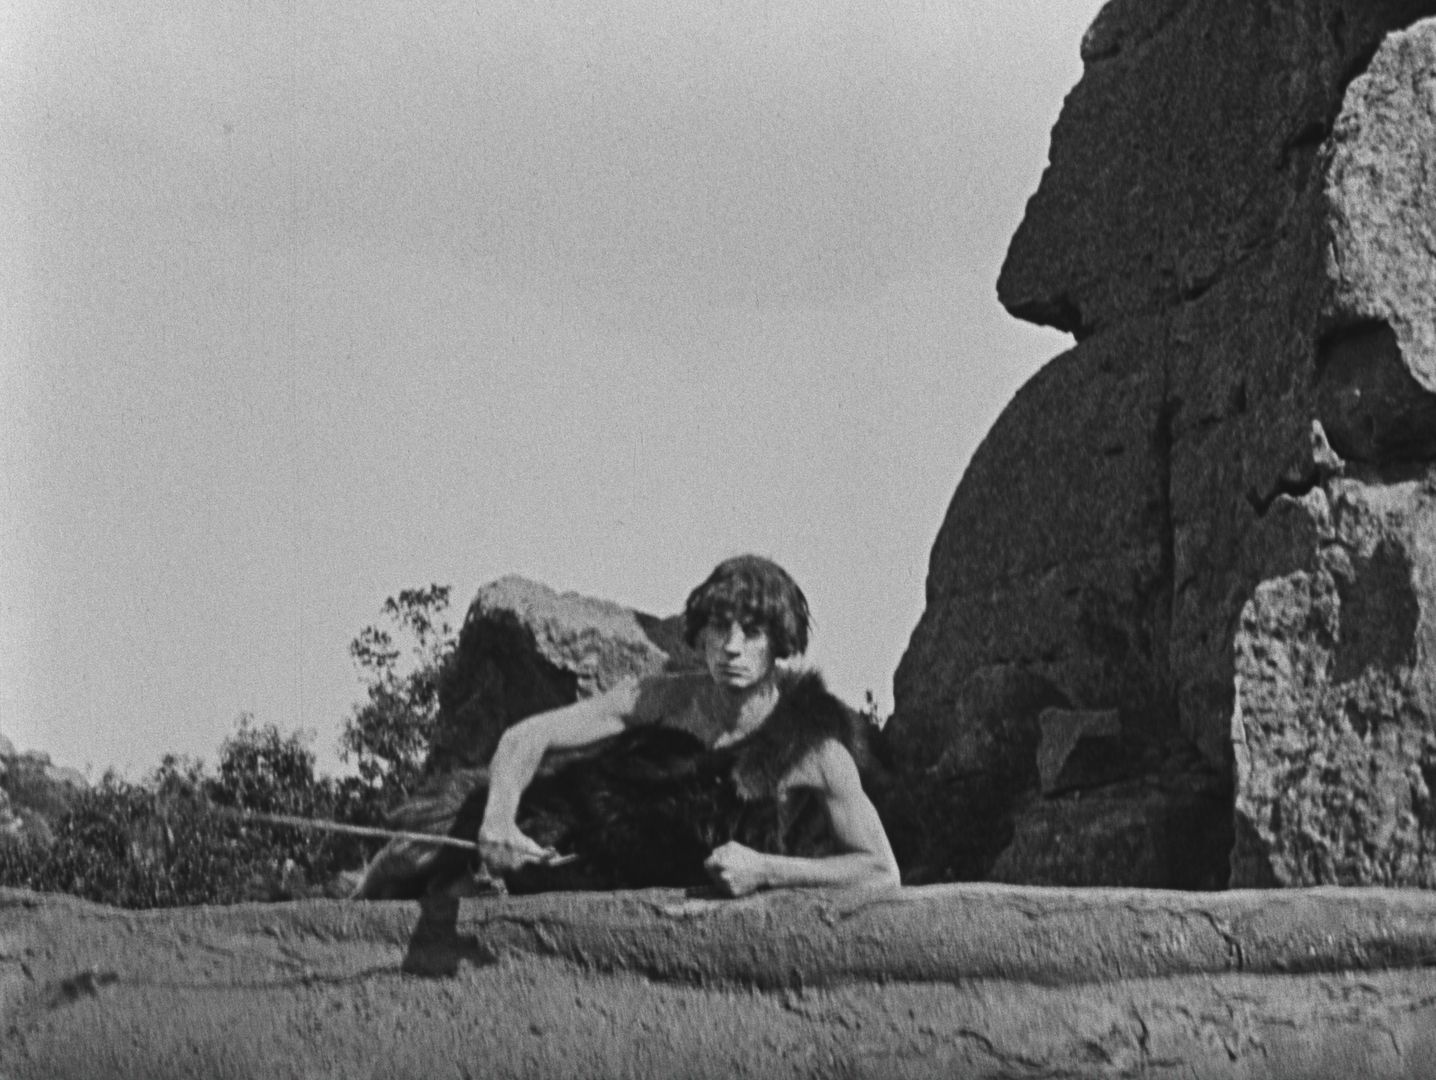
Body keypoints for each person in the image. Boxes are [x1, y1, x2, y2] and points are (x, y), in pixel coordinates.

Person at [356, 555, 899, 898]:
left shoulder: (815, 752)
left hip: (656, 888)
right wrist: (498, 819)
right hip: (579, 835)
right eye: (719, 628)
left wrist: (766, 869)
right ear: (701, 635)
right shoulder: (659, 698)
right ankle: (351, 901)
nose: (731, 647)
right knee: (421, 846)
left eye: (751, 631)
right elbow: (528, 736)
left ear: (780, 643)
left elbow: (878, 869)